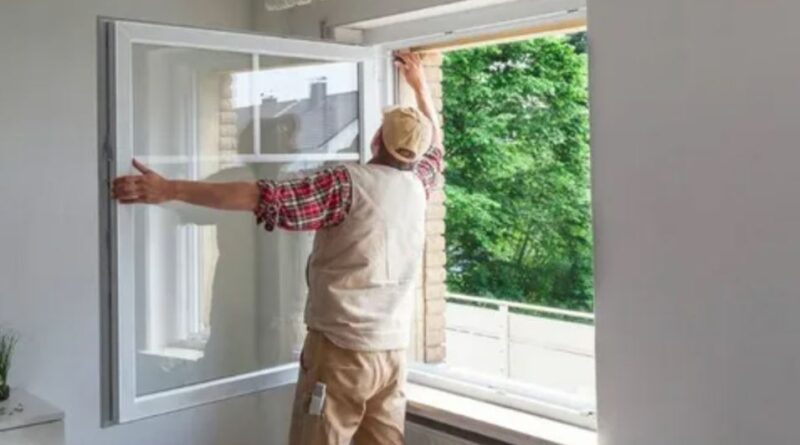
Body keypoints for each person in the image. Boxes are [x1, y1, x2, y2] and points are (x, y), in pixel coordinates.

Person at [112, 51, 443, 445]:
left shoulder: (347, 184)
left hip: (341, 351)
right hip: (392, 353)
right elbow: (435, 147)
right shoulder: (418, 186)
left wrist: (169, 189)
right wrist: (421, 86)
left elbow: (261, 197)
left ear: (376, 139)